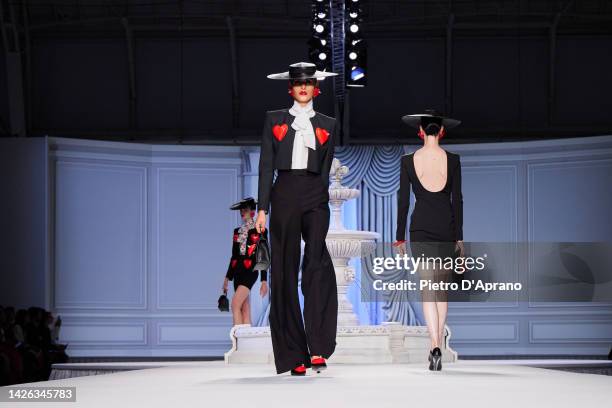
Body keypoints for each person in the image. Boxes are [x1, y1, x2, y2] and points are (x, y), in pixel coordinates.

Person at [255, 62, 338, 376]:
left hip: (315, 191)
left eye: (308, 82)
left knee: (316, 264)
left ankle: (318, 347)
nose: (303, 87)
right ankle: (293, 354)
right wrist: (263, 208)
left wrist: (321, 193)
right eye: (297, 82)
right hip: (284, 192)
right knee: (284, 270)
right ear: (290, 88)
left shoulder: (329, 122)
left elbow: (327, 166)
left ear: (316, 88)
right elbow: (266, 166)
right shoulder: (273, 119)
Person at [393, 109, 465, 371]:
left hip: (420, 228)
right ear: (442, 132)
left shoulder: (408, 160)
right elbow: (457, 200)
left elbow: (403, 202)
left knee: (427, 288)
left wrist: (399, 238)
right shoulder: (453, 159)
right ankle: (440, 345)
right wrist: (460, 237)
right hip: (445, 227)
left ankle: (433, 343)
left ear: (420, 131)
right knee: (441, 290)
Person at [223, 197, 269, 326]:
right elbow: (234, 257)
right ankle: (246, 343)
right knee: (244, 309)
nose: (242, 212)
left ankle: (237, 341)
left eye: (245, 209)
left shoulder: (260, 230)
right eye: (241, 210)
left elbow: (263, 255)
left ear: (253, 211)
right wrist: (227, 278)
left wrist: (264, 280)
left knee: (235, 304)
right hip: (237, 272)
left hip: (250, 272)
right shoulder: (237, 231)